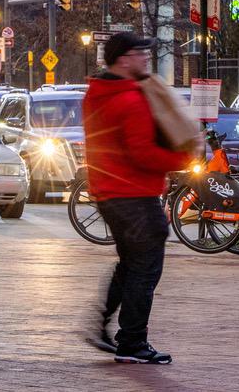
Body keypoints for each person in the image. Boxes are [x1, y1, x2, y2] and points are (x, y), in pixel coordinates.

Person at [81, 32, 190, 365]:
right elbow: (142, 153)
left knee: (131, 265)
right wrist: (183, 161)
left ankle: (104, 326)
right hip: (135, 195)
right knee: (144, 269)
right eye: (141, 53)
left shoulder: (97, 93)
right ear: (124, 58)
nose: (146, 59)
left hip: (110, 193)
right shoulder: (130, 99)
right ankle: (132, 343)